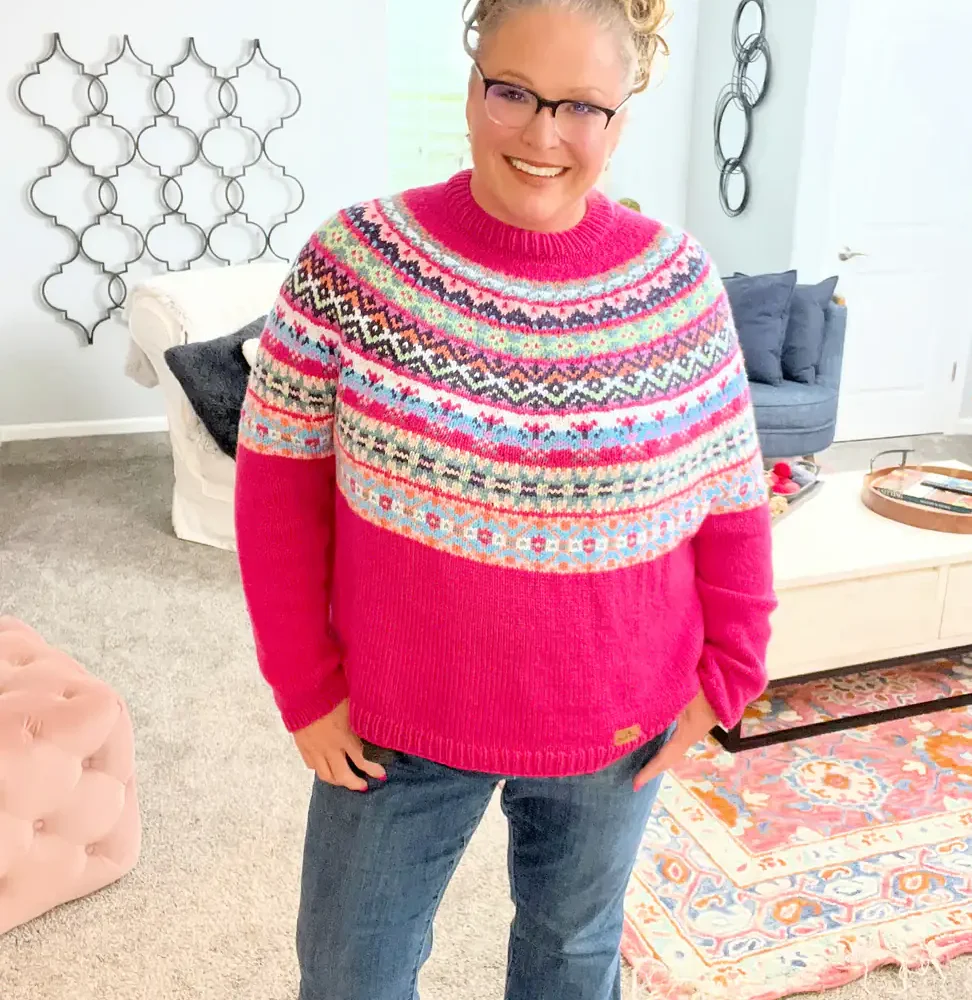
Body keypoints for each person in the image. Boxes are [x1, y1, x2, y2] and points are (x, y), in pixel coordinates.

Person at [234, 1, 776, 997]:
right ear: (474, 81)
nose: (541, 133)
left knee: (570, 962)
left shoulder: (677, 286)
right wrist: (303, 685)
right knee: (351, 971)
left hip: (613, 723)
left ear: (621, 119)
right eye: (513, 92)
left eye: (581, 108)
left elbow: (730, 496)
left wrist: (730, 671)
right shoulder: (355, 263)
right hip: (392, 720)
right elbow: (275, 489)